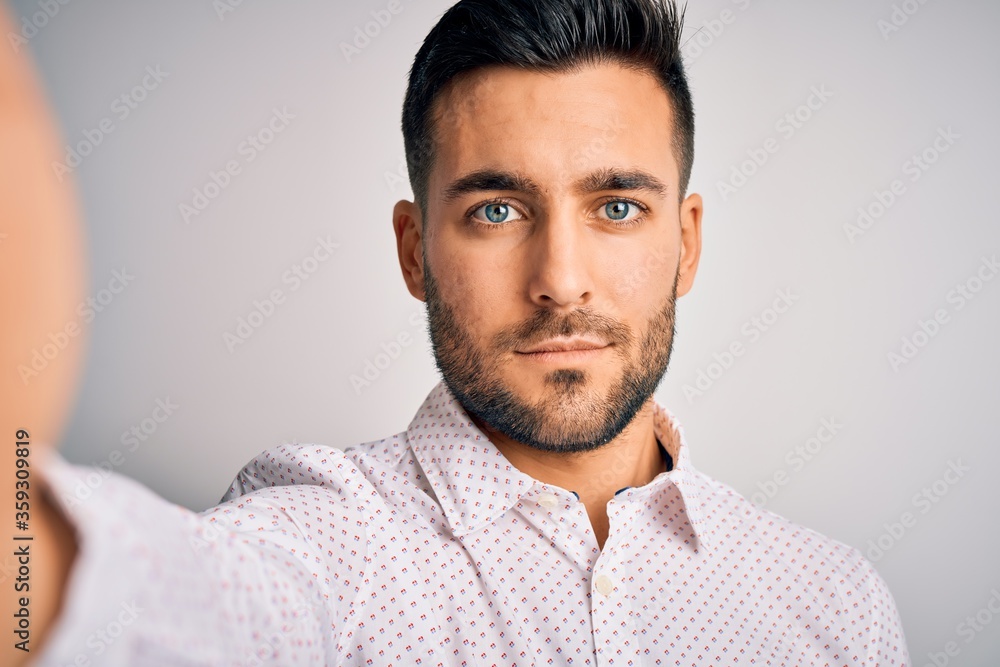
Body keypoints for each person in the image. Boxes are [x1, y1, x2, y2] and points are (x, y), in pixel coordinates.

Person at [3, 0, 910, 664]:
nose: (560, 279)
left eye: (618, 205)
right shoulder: (330, 539)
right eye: (498, 210)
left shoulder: (835, 605)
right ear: (413, 250)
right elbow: (139, 599)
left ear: (687, 242)